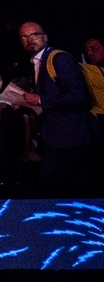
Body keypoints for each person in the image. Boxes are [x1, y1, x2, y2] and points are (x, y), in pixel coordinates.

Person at [19, 22, 94, 194]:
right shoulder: (37, 62)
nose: (30, 39)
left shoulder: (59, 58)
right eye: (24, 37)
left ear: (45, 37)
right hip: (59, 138)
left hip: (72, 139)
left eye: (34, 34)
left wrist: (40, 100)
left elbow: (79, 96)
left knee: (67, 191)